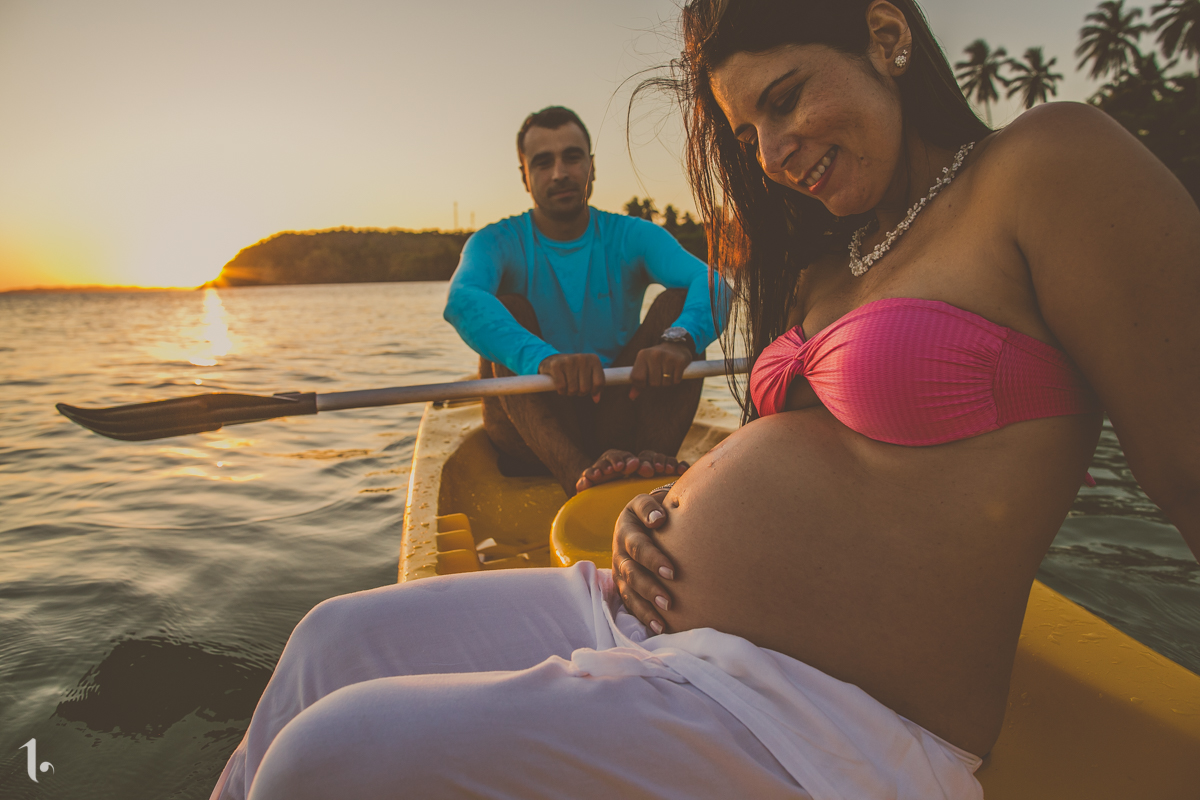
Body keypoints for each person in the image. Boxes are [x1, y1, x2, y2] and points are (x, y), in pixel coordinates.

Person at [210, 1, 1200, 798]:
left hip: (827, 717)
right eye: (745, 129)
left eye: (785, 98)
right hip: (644, 609)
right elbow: (816, 469)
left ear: (887, 34)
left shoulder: (1046, 166)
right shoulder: (825, 265)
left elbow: (1189, 464)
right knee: (331, 640)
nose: (768, 154)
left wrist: (679, 346)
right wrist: (671, 500)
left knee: (327, 758)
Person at [443, 106, 730, 496]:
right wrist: (545, 359)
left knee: (677, 305)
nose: (560, 172)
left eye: (572, 157)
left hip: (615, 410)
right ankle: (579, 479)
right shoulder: (496, 241)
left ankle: (650, 463)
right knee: (510, 308)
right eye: (543, 162)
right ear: (525, 176)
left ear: (591, 167)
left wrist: (679, 340)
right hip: (532, 427)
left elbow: (711, 282)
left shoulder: (631, 234)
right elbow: (461, 300)